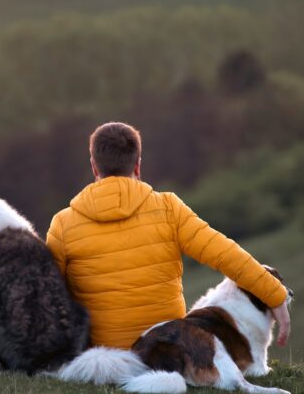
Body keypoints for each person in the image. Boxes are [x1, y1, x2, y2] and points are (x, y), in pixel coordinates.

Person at [46, 121, 291, 349]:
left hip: (101, 358)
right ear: (138, 165)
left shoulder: (63, 224)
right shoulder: (168, 208)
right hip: (166, 351)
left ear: (93, 166)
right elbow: (224, 253)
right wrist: (274, 294)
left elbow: (46, 294)